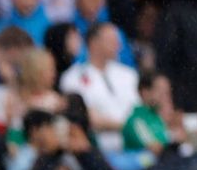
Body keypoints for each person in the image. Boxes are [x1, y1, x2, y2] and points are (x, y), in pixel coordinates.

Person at [57, 23, 139, 155]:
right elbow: (85, 116)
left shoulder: (129, 74)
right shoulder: (72, 78)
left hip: (137, 146)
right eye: (112, 41)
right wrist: (127, 127)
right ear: (93, 43)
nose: (119, 45)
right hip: (98, 149)